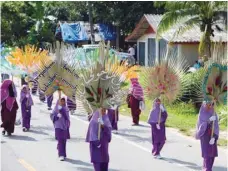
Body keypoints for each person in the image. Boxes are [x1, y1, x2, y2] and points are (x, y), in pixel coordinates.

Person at [195, 101, 219, 171]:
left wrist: (214, 137)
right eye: (208, 104)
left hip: (212, 136)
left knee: (212, 154)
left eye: (211, 105)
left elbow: (216, 126)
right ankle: (207, 169)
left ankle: (207, 168)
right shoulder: (202, 113)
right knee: (207, 153)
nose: (210, 106)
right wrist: (209, 120)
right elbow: (201, 126)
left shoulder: (214, 113)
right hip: (205, 135)